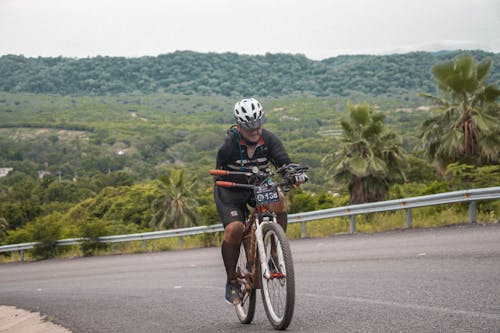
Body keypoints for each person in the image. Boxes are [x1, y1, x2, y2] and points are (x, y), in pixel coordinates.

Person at [213, 97, 308, 304]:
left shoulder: (269, 139)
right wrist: (234, 178)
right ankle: (231, 281)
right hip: (232, 190)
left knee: (279, 198)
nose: (256, 131)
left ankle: (275, 249)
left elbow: (284, 162)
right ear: (239, 126)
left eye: (258, 125)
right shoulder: (229, 145)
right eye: (249, 128)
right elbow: (218, 175)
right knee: (235, 228)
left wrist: (294, 175)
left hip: (258, 186)